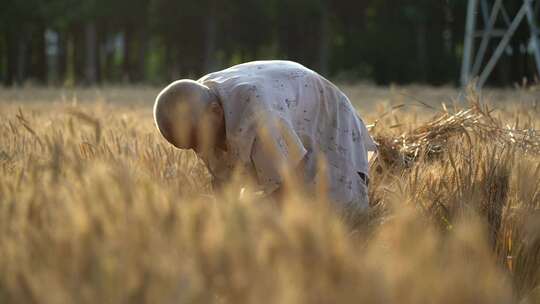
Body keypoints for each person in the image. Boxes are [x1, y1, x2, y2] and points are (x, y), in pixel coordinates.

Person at [153, 60, 377, 212]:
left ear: (215, 111)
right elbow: (223, 180)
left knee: (336, 212)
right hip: (283, 98)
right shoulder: (197, 103)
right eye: (191, 146)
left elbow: (286, 187)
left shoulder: (260, 118)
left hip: (327, 117)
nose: (200, 149)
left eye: (199, 140)